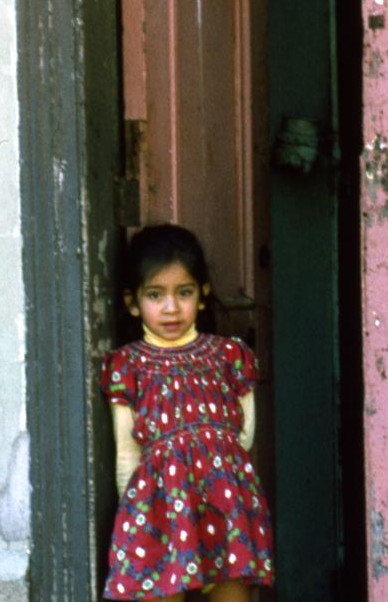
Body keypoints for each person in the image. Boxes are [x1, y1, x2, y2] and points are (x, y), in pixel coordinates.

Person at [100, 223, 274, 601]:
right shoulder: (128, 365)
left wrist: (206, 462)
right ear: (133, 302)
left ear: (203, 293)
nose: (171, 307)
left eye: (184, 292)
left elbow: (244, 434)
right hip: (160, 512)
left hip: (226, 506)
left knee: (233, 594)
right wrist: (136, 519)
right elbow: (127, 453)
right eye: (155, 295)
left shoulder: (229, 356)